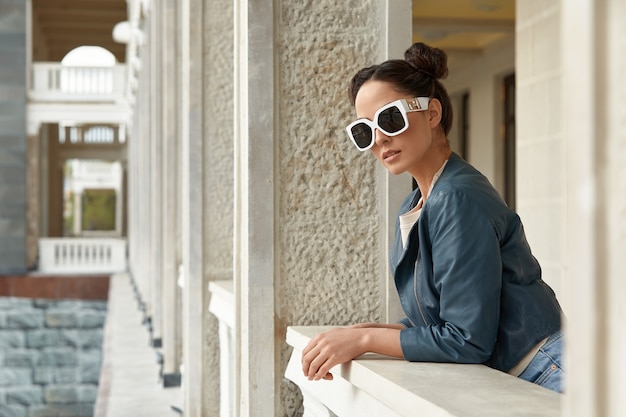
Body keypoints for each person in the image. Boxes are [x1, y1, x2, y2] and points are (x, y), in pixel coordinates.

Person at [301, 42, 564, 393]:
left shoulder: (457, 197)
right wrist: (360, 333)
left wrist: (365, 338)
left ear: (432, 114)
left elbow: (466, 340)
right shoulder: (417, 204)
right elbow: (441, 322)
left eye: (389, 118)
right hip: (524, 374)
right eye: (364, 131)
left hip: (550, 374)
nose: (379, 139)